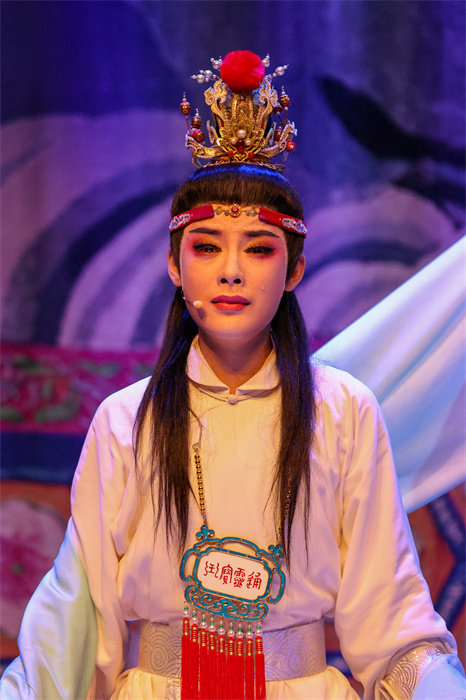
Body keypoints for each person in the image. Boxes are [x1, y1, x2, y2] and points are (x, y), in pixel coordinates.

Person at [1, 51, 465, 700]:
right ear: (174, 264)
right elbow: (78, 613)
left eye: (259, 249)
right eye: (207, 246)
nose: (231, 271)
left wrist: (434, 684)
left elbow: (391, 614)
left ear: (294, 269)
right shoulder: (127, 420)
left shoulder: (344, 411)